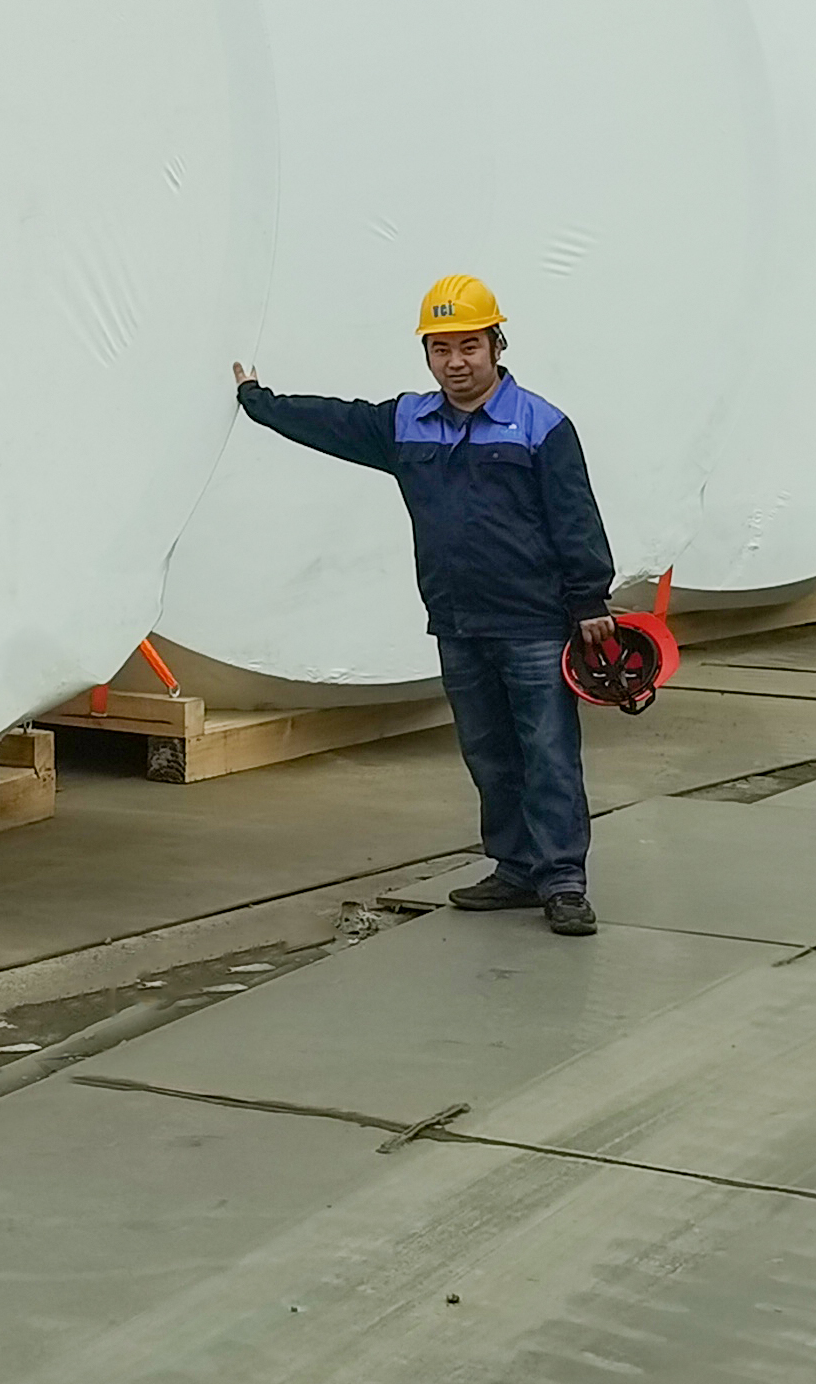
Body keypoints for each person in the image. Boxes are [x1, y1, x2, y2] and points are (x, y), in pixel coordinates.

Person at [231, 275, 620, 935]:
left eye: (469, 345)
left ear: (496, 345)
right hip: (458, 623)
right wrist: (257, 401)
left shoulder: (542, 426)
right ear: (427, 355)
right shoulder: (406, 423)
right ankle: (516, 869)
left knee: (548, 753)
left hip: (532, 624)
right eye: (441, 349)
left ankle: (563, 881)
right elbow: (334, 420)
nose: (456, 362)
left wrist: (589, 600)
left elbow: (575, 516)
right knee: (489, 753)